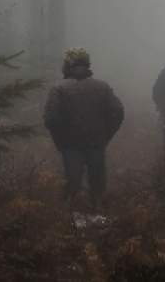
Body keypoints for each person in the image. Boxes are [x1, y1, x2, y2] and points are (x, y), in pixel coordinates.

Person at [44, 48, 124, 210]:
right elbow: (118, 111)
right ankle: (99, 219)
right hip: (96, 143)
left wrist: (61, 141)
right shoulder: (102, 87)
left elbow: (51, 118)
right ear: (87, 65)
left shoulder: (59, 88)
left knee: (71, 185)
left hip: (70, 146)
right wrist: (106, 135)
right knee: (98, 187)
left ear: (67, 65)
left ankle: (69, 222)